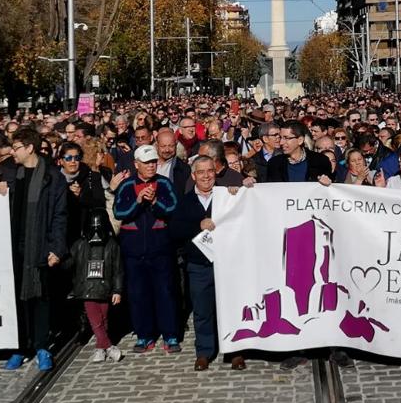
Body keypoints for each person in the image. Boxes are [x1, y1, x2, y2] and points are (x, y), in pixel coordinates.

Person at [0, 127, 68, 371]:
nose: (12, 153)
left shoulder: (52, 178)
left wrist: (56, 248)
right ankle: (21, 346)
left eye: (16, 148)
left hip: (41, 246)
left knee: (41, 299)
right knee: (18, 300)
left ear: (29, 148)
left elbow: (59, 215)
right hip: (15, 246)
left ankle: (42, 345)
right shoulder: (13, 174)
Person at [170, 156, 244, 370]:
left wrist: (242, 189)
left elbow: (246, 211)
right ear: (193, 176)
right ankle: (204, 351)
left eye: (210, 171)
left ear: (215, 173)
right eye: (201, 172)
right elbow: (174, 231)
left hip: (228, 264)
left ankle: (234, 351)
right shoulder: (185, 202)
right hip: (199, 265)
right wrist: (198, 225)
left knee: (230, 307)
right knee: (203, 310)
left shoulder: (227, 197)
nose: (206, 176)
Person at [111, 144, 181, 354]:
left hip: (160, 249)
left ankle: (170, 334)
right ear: (136, 164)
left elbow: (172, 207)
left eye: (153, 162)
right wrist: (138, 201)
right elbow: (119, 211)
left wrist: (156, 202)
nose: (151, 166)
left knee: (165, 293)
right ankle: (144, 335)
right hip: (133, 251)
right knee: (138, 294)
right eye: (147, 163)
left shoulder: (164, 183)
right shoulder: (126, 185)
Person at [66, 209, 124, 364]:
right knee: (95, 321)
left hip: (104, 289)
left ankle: (100, 348)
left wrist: (117, 290)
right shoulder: (79, 245)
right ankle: (109, 347)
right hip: (86, 290)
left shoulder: (112, 246)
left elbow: (118, 270)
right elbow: (69, 264)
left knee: (103, 319)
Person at [261, 121, 332, 184]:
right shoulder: (274, 164)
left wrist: (328, 183)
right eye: (280, 137)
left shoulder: (321, 161)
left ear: (300, 140)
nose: (281, 142)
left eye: (286, 138)